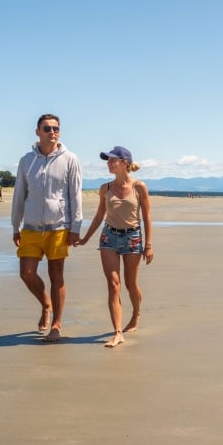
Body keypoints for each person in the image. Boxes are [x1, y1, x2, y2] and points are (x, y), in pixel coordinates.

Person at [11, 114, 83, 343]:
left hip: (59, 226)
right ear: (38, 132)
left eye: (56, 128)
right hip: (31, 226)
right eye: (47, 128)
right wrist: (16, 225)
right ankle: (46, 304)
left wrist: (76, 227)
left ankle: (57, 324)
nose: (52, 132)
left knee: (56, 274)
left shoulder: (70, 159)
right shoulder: (26, 161)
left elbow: (75, 195)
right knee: (26, 273)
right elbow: (19, 194)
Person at [78, 145, 153, 348]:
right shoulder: (106, 188)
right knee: (113, 285)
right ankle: (118, 332)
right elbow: (99, 216)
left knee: (130, 284)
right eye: (108, 160)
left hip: (132, 238)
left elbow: (146, 217)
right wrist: (85, 238)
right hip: (109, 237)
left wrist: (148, 244)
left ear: (125, 163)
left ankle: (136, 314)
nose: (109, 163)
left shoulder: (139, 187)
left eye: (113, 160)